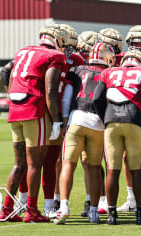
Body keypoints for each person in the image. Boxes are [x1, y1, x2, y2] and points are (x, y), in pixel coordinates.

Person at [0, 24, 66, 223]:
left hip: (15, 109)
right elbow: (51, 91)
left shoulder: (23, 52)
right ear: (58, 41)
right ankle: (32, 210)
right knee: (34, 164)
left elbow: (8, 73)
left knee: (19, 164)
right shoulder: (54, 56)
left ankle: (7, 209)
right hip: (33, 109)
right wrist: (56, 121)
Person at [93, 49, 141, 225]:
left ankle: (112, 216)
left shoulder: (108, 72)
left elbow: (97, 98)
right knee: (137, 169)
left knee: (112, 170)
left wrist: (105, 117)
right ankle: (140, 215)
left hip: (111, 121)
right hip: (134, 119)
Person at [53, 43, 115, 225]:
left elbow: (66, 97)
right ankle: (94, 211)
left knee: (68, 164)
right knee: (94, 167)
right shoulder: (110, 73)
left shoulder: (78, 70)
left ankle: (64, 207)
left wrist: (64, 121)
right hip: (98, 123)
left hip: (76, 118)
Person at [42, 24, 85, 218]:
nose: (69, 48)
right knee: (44, 160)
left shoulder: (75, 60)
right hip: (46, 111)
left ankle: (56, 199)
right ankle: (33, 201)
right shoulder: (47, 55)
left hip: (63, 113)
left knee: (59, 159)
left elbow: (70, 91)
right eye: (67, 43)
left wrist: (65, 116)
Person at [117, 25, 141, 213]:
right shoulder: (123, 60)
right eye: (135, 42)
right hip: (128, 111)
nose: (139, 45)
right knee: (126, 157)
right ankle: (131, 198)